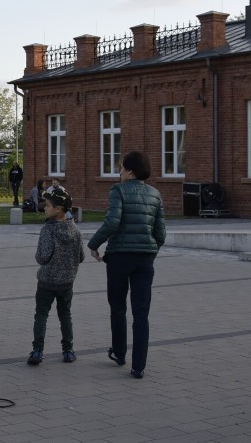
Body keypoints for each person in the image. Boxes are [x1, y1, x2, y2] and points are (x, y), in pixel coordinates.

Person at [88, 150, 166, 380]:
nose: (119, 172)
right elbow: (160, 232)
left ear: (130, 170)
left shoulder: (118, 191)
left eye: (122, 168)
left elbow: (112, 222)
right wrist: (151, 250)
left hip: (119, 257)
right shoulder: (155, 194)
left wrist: (94, 244)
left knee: (118, 307)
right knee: (141, 313)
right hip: (144, 260)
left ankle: (120, 353)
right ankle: (139, 366)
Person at [27, 186, 84, 366]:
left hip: (47, 281)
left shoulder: (48, 230)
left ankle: (37, 350)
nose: (45, 208)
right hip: (67, 282)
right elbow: (81, 256)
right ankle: (68, 350)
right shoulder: (75, 230)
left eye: (48, 205)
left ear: (58, 209)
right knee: (65, 315)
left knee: (41, 314)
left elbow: (42, 257)